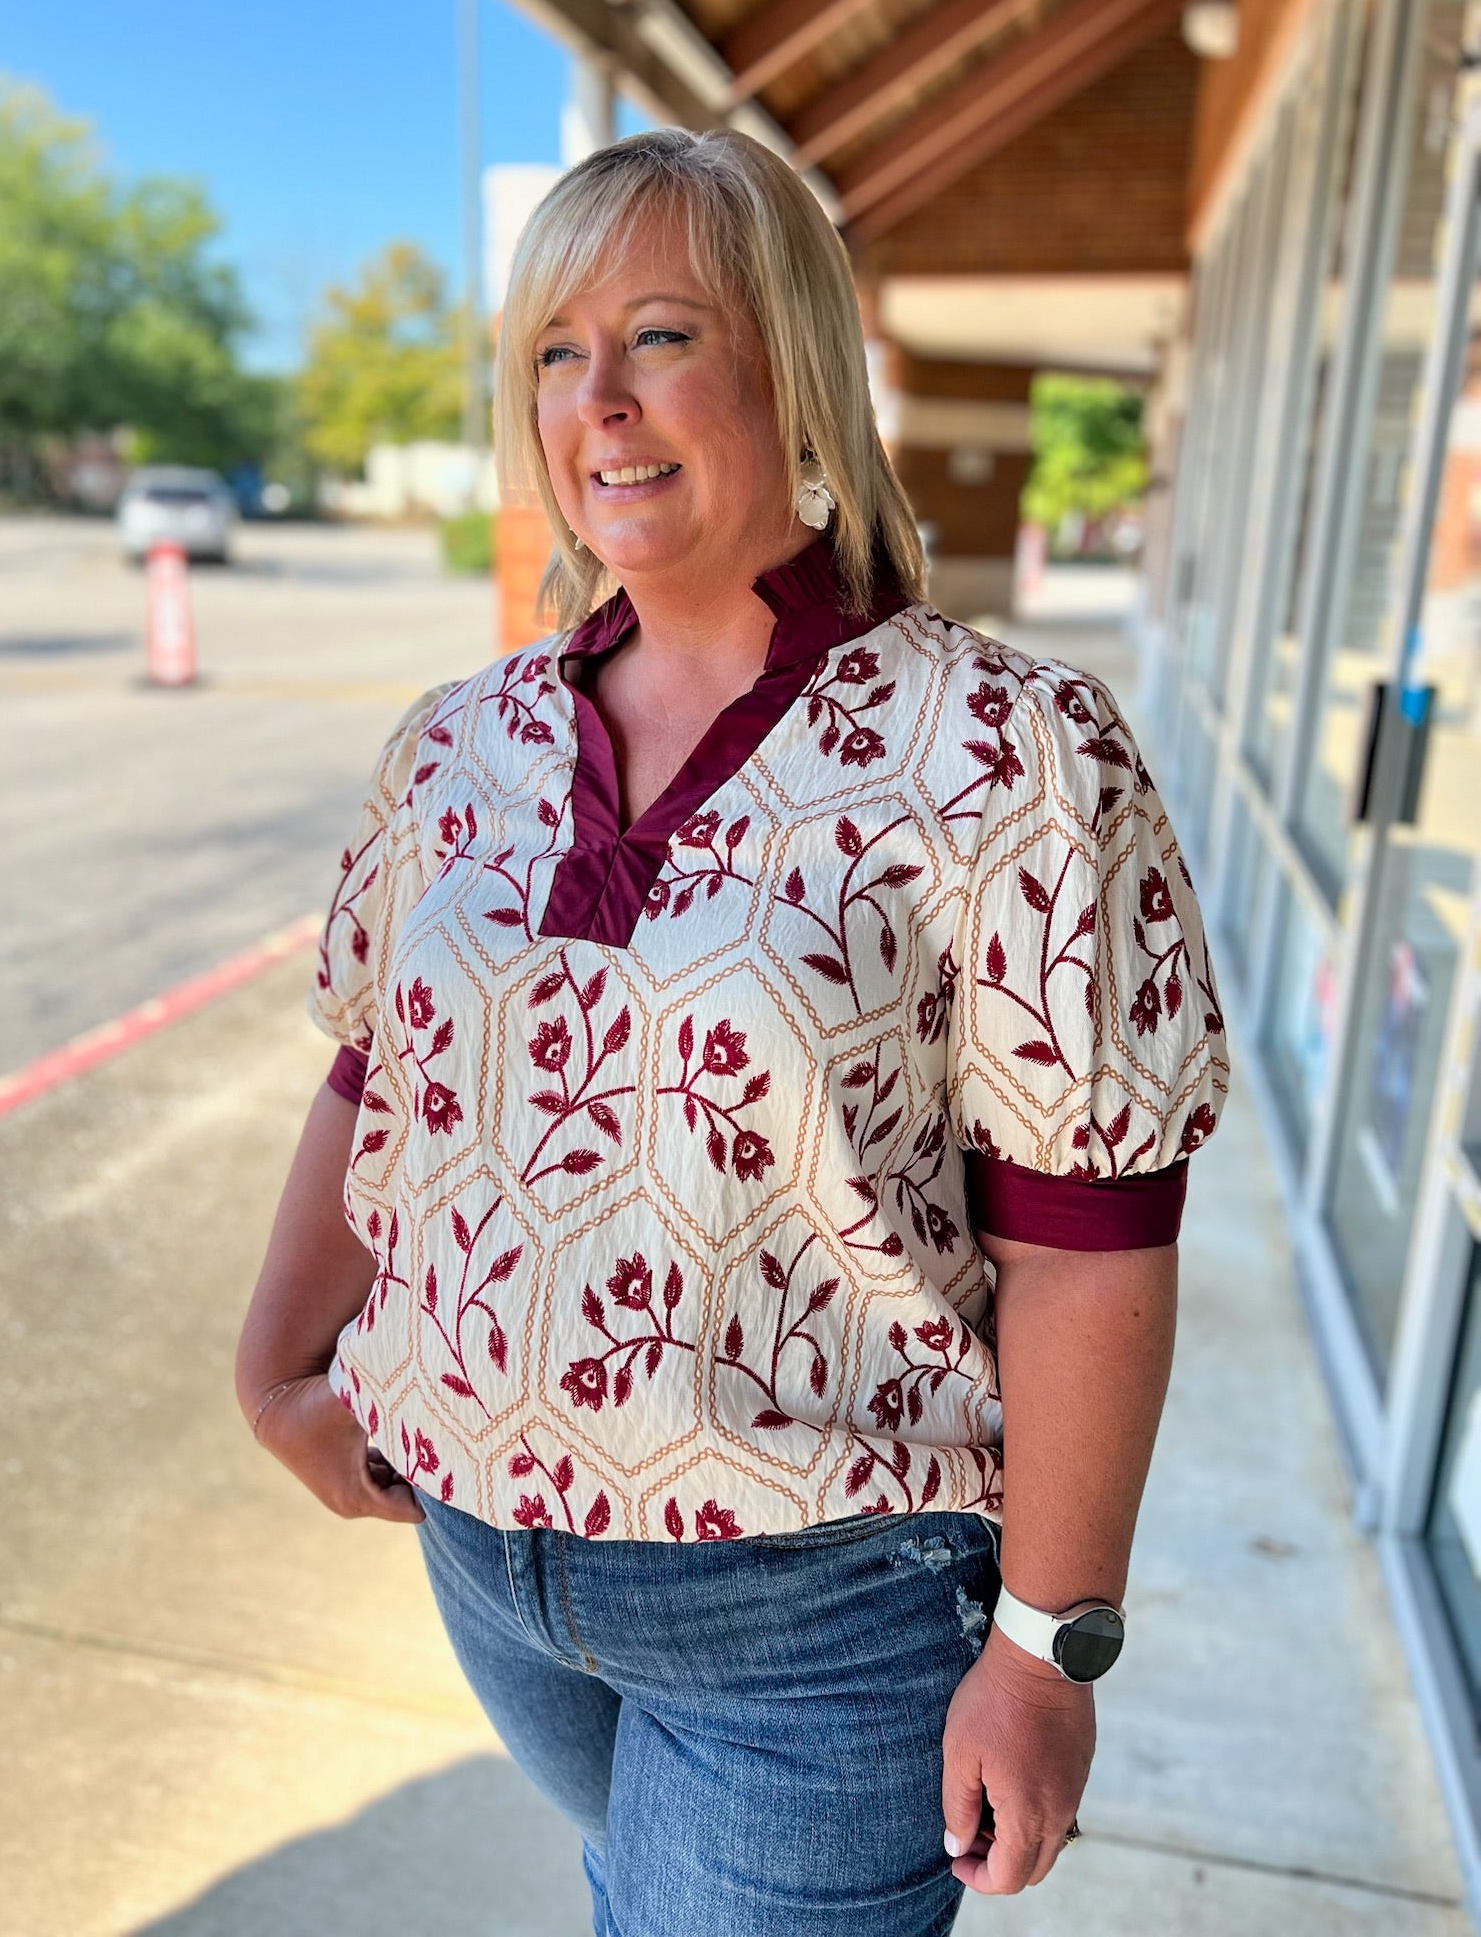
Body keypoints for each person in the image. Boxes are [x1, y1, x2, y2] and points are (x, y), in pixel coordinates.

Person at [236, 127, 1229, 1937]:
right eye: (556, 350)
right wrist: (278, 1364)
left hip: (823, 1615)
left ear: (794, 363)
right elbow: (374, 1067)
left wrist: (1049, 1642)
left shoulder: (1001, 749)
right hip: (484, 1558)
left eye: (664, 337)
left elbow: (1091, 1240)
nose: (599, 402)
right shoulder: (463, 740)